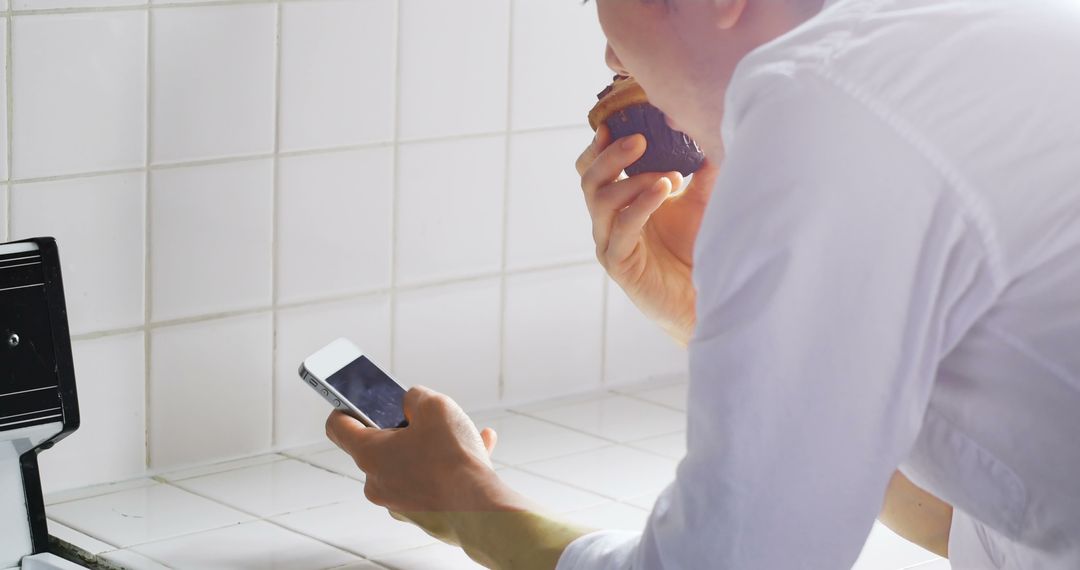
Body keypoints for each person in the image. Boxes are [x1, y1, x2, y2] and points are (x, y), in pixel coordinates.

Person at [325, 0, 1080, 567]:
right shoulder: (981, 38)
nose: (610, 47)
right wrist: (706, 314)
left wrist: (468, 501)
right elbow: (995, 516)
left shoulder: (822, 105)